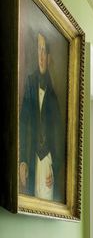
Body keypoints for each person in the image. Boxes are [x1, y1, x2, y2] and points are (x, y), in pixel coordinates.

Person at [19, 32, 65, 202]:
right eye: (38, 50)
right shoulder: (30, 83)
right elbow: (23, 122)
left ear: (48, 56)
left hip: (47, 161)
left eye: (44, 51)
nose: (40, 56)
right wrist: (23, 160)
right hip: (32, 157)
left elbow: (59, 133)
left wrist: (55, 165)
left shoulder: (52, 93)